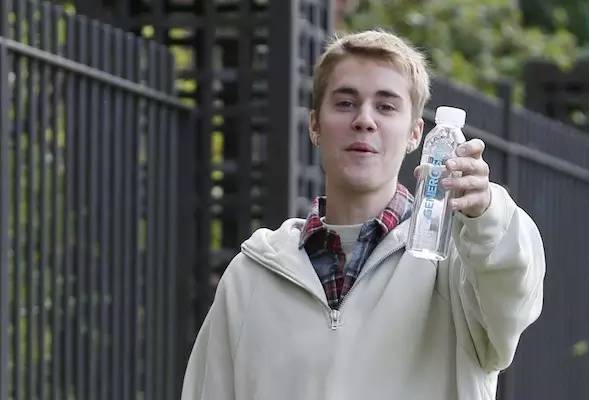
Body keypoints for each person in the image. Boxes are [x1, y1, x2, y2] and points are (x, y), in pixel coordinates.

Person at [181, 29, 546, 400]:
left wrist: (487, 214)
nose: (364, 120)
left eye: (386, 106)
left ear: (415, 134)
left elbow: (513, 295)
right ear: (314, 125)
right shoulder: (250, 278)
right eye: (345, 103)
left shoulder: (458, 267)